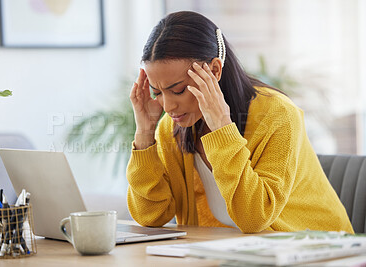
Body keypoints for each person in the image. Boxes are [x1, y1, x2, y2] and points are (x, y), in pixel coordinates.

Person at [127, 11, 353, 233]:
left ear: (214, 70)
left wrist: (222, 129)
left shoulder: (277, 114)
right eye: (157, 92)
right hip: (233, 252)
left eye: (178, 90)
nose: (167, 106)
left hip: (316, 248)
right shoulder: (174, 126)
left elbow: (254, 218)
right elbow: (150, 216)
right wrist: (145, 134)